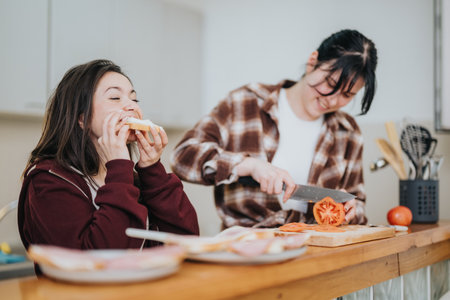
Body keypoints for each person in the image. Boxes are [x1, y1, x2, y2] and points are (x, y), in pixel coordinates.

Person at [171, 29, 377, 228]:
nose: (332, 100)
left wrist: (350, 210)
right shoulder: (245, 102)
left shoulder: (348, 132)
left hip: (317, 253)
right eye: (330, 83)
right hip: (247, 249)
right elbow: (182, 157)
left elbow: (357, 204)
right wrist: (248, 165)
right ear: (313, 62)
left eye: (347, 95)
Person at [18, 59, 199, 251]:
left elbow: (186, 242)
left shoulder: (134, 181)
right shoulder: (48, 180)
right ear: (82, 118)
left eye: (134, 99)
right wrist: (119, 166)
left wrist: (152, 169)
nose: (132, 107)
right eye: (115, 98)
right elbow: (99, 260)